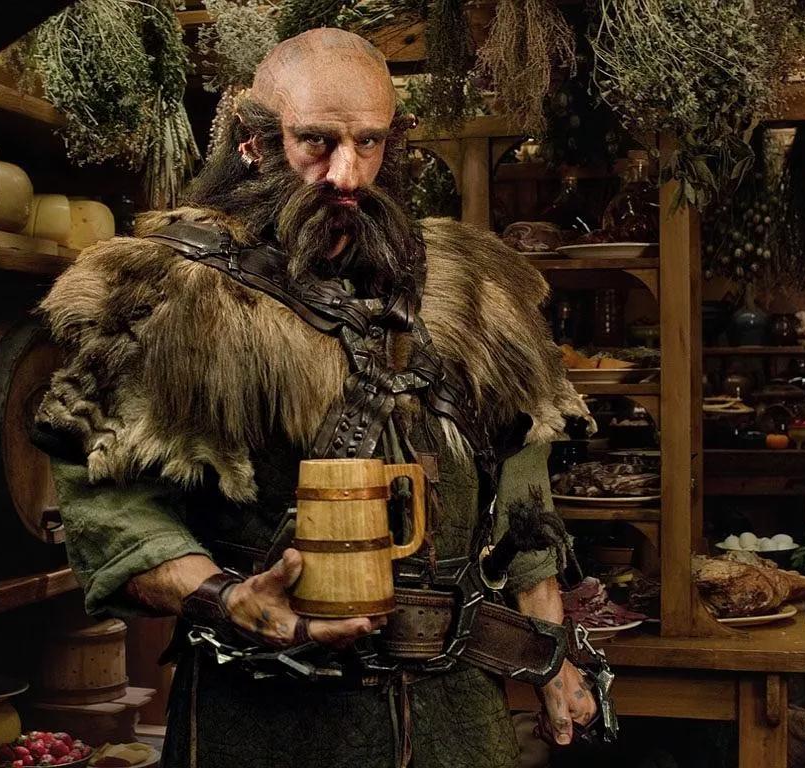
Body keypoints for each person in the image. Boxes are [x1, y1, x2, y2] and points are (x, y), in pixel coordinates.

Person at [34, 27, 599, 768]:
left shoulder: (468, 286)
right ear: (254, 140)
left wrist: (548, 647)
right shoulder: (170, 295)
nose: (346, 173)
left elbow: (521, 470)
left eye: (370, 142)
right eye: (316, 142)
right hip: (268, 723)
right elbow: (112, 507)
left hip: (455, 716)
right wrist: (224, 597)